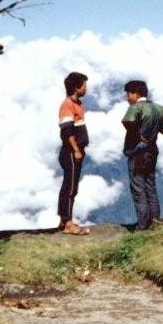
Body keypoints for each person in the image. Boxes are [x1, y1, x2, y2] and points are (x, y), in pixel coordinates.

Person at [121, 80, 163, 230]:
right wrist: (156, 131)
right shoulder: (159, 108)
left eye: (129, 94)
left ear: (136, 94)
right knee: (150, 187)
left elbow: (127, 121)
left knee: (138, 189)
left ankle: (142, 226)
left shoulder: (136, 108)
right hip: (152, 151)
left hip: (138, 153)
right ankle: (154, 222)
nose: (127, 98)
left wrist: (139, 135)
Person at [58, 72, 90, 235]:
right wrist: (76, 150)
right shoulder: (67, 105)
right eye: (84, 85)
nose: (86, 88)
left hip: (76, 151)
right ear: (77, 87)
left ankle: (64, 220)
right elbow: (66, 131)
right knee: (70, 188)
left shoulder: (77, 104)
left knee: (71, 187)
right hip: (71, 152)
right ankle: (68, 224)